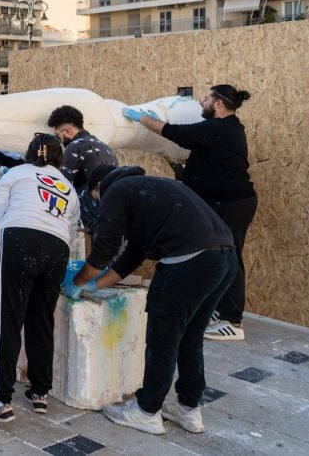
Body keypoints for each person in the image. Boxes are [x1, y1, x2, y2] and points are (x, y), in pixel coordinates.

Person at [67, 165, 236, 435]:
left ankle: (146, 411)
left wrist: (74, 284)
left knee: (163, 339)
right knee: (190, 337)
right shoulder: (149, 191)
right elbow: (130, 257)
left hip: (188, 263)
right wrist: (93, 285)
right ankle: (189, 408)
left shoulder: (114, 192)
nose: (99, 203)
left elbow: (104, 250)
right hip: (224, 260)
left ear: (98, 187)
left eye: (96, 197)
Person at [124, 84, 257, 341]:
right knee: (222, 255)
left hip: (232, 203)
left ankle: (232, 321)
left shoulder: (220, 128)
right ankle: (220, 309)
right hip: (222, 202)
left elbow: (175, 133)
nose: (201, 102)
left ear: (218, 103)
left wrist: (142, 118)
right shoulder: (224, 128)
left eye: (206, 98)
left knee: (230, 256)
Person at [0, 134, 80, 423]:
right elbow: (71, 229)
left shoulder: (16, 173)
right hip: (57, 247)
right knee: (42, 321)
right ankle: (40, 392)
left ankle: (0, 400)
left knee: (9, 320)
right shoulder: (68, 187)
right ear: (60, 157)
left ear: (29, 153)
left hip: (19, 237)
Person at [47, 105, 118, 230]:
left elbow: (62, 185)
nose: (59, 141)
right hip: (112, 213)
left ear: (68, 130)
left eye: (58, 136)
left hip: (92, 216)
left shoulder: (76, 146)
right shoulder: (105, 147)